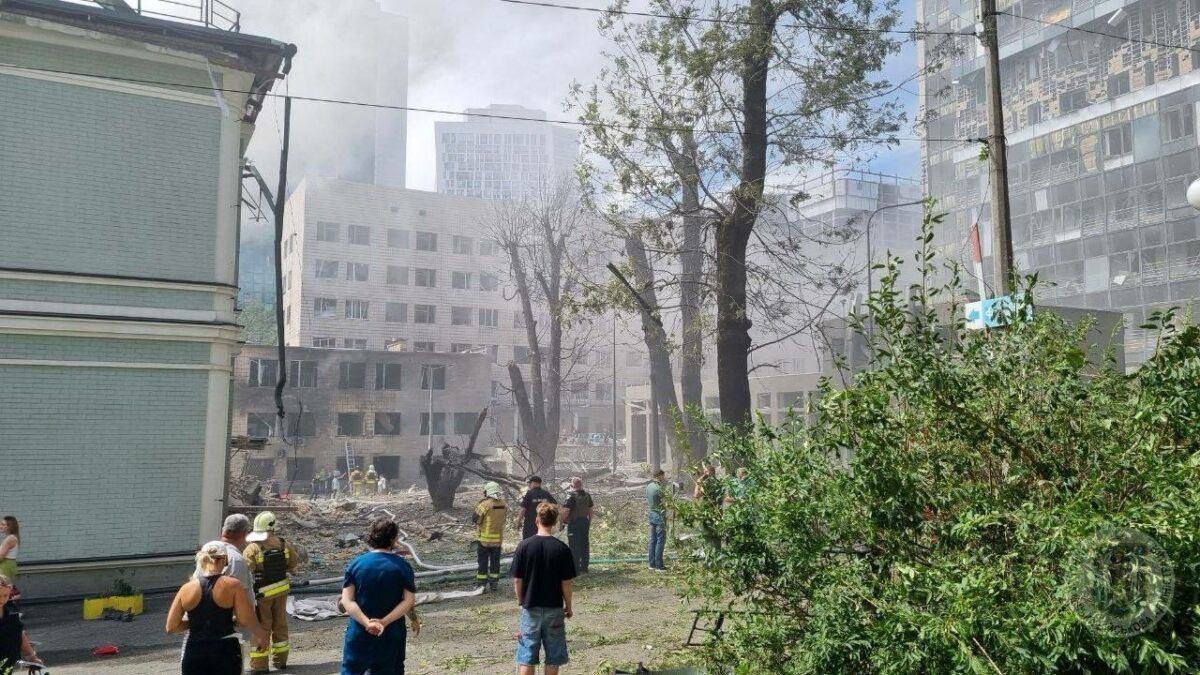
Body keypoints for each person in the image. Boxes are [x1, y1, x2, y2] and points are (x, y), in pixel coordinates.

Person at [167, 542, 267, 675]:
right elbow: (244, 619)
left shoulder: (186, 588)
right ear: (223, 559)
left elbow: (171, 626)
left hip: (194, 650)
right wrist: (261, 635)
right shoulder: (232, 585)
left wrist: (200, 622)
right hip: (224, 650)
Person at [341, 517, 417, 675]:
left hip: (359, 633)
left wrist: (367, 623)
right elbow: (408, 601)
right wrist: (383, 622)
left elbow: (347, 600)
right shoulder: (402, 566)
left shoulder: (356, 564)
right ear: (393, 539)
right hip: (390, 634)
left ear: (371, 537)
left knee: (351, 671)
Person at [511, 502, 576, 675]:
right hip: (554, 608)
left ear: (536, 520)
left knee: (527, 656)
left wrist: (521, 602)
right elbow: (566, 583)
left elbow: (517, 580)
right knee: (553, 657)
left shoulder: (524, 546)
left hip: (530, 607)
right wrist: (569, 606)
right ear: (554, 522)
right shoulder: (562, 549)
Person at [243, 511, 301, 673]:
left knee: (262, 627)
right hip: (282, 591)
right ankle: (281, 661)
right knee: (280, 625)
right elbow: (293, 564)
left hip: (262, 595)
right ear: (273, 527)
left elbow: (246, 572)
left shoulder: (252, 548)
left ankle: (260, 665)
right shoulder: (284, 544)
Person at [193, 514, 255, 612]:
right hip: (226, 619)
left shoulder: (207, 552)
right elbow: (241, 601)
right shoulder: (237, 560)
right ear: (244, 534)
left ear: (223, 530)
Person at [0, 574, 41, 672]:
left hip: (8, 660)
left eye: (5, 595)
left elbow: (19, 633)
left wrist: (30, 655)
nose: (2, 599)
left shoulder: (11, 611)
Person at [473, 482, 507, 592]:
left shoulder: (484, 504)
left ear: (487, 492)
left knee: (483, 562)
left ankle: (481, 584)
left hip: (484, 540)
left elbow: (475, 519)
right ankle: (494, 583)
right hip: (497, 540)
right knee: (495, 562)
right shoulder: (504, 504)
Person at [559, 477, 594, 574]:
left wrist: (561, 523)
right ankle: (584, 568)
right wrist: (589, 522)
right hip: (585, 522)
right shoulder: (587, 495)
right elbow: (591, 510)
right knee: (584, 544)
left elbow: (566, 511)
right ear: (581, 485)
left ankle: (576, 569)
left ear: (572, 485)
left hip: (574, 523)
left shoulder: (571, 496)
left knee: (574, 545)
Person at [515, 476, 556, 541]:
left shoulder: (529, 494)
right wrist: (553, 520)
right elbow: (555, 506)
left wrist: (518, 521)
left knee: (528, 542)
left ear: (533, 483)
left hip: (530, 524)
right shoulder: (546, 494)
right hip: (544, 524)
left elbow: (523, 509)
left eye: (530, 483)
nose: (529, 485)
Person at [645, 469, 667, 571]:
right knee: (660, 540)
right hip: (659, 516)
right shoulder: (659, 488)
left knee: (653, 540)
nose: (664, 478)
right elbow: (665, 502)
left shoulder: (649, 486)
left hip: (651, 514)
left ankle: (652, 564)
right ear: (660, 476)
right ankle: (659, 565)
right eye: (663, 476)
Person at [0, 517, 19, 583]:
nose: (0, 526)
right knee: (7, 587)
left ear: (10, 526)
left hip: (5, 566)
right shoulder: (12, 537)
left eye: (3, 524)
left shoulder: (10, 539)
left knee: (4, 587)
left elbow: (0, 557)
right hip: (8, 565)